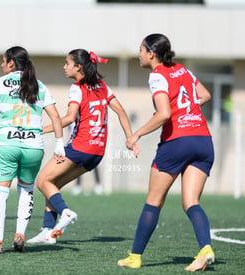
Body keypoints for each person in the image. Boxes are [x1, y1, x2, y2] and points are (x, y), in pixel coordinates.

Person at [117, 33, 215, 272]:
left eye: (141, 49)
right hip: (203, 140)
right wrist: (186, 110)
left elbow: (164, 115)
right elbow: (205, 96)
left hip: (177, 142)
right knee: (191, 202)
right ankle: (205, 249)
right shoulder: (183, 70)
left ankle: (136, 256)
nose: (138, 53)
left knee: (154, 201)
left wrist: (136, 134)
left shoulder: (157, 76)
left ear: (151, 53)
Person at [27, 49, 138, 244]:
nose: (64, 66)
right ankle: (47, 231)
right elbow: (121, 111)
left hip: (80, 147)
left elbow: (70, 118)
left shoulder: (77, 88)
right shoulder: (103, 87)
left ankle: (66, 213)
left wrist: (39, 130)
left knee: (42, 181)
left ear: (78, 67)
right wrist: (130, 138)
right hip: (97, 153)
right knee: (53, 186)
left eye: (67, 63)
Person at [0, 46, 65, 254]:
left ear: (11, 63)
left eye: (3, 61)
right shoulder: (39, 85)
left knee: (0, 192)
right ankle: (20, 235)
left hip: (6, 145)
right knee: (26, 190)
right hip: (34, 147)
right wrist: (59, 145)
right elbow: (56, 117)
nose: (2, 65)